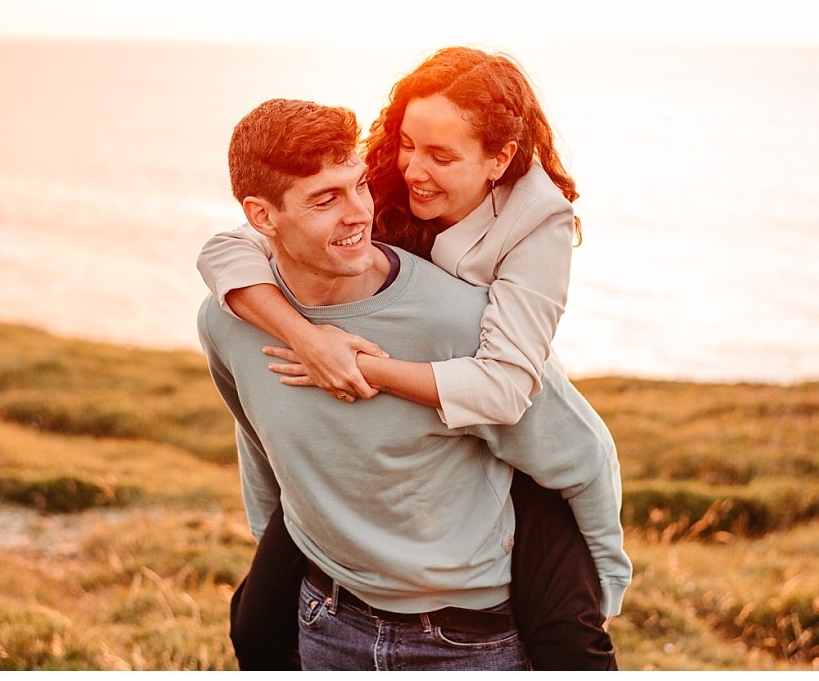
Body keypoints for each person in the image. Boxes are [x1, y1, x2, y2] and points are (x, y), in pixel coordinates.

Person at [198, 48, 619, 668]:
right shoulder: (370, 177)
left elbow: (513, 396)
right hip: (334, 591)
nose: (413, 170)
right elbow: (229, 255)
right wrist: (308, 339)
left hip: (497, 431)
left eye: (442, 156)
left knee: (571, 641)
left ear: (498, 160)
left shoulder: (535, 228)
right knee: (256, 627)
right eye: (406, 145)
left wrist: (360, 366)